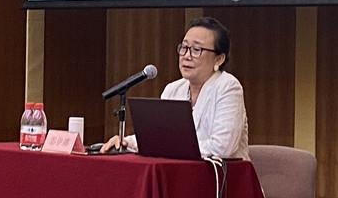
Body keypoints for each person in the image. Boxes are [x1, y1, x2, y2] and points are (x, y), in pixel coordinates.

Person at [100, 17, 249, 159]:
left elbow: (222, 148)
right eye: (184, 47)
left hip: (222, 174)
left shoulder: (228, 87)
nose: (186, 56)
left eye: (196, 49)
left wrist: (170, 147)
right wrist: (127, 142)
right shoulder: (173, 89)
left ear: (219, 59)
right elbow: (158, 136)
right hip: (180, 171)